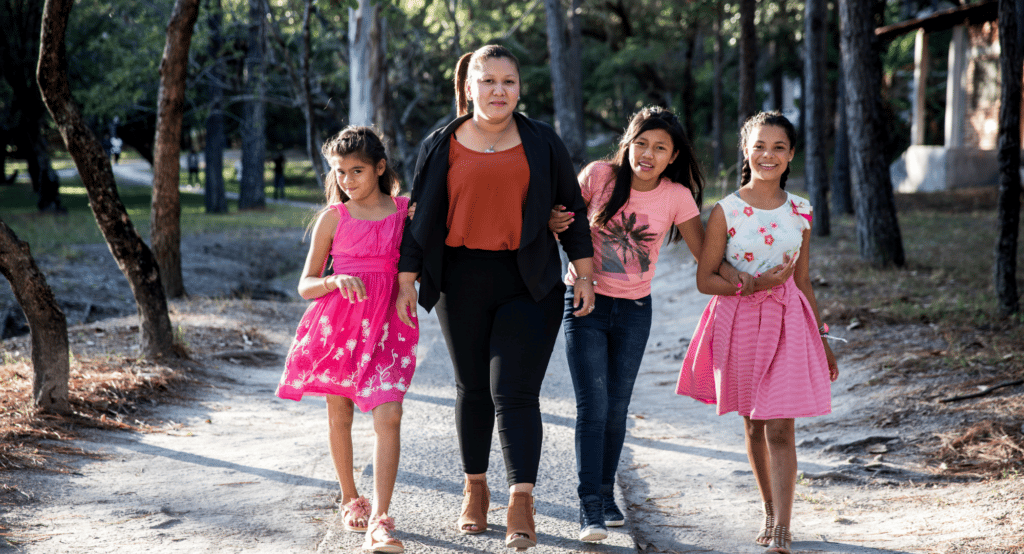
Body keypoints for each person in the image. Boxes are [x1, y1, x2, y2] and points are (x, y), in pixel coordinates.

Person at [394, 44, 595, 550]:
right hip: (459, 279)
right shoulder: (441, 142)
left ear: (519, 88)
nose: (499, 90)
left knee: (516, 391)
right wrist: (405, 280)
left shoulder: (542, 141)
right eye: (488, 81)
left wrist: (585, 273)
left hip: (528, 279)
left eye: (509, 81)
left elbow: (571, 211)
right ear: (469, 87)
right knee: (473, 388)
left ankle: (521, 500)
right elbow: (420, 217)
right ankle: (475, 489)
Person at [548, 106, 746, 542]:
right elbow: (563, 222)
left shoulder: (676, 196)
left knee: (617, 407)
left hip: (636, 311)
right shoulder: (599, 177)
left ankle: (604, 491)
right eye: (641, 143)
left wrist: (742, 276)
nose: (648, 154)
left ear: (673, 156)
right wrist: (552, 221)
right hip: (585, 303)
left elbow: (705, 255)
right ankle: (589, 507)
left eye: (660, 148)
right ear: (628, 143)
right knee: (593, 406)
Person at [675, 111, 839, 554]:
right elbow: (706, 279)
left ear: (790, 156)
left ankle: (783, 528)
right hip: (739, 320)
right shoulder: (726, 210)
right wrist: (751, 284)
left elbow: (802, 281)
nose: (769, 155)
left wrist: (823, 339)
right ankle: (769, 509)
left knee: (781, 426)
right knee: (752, 424)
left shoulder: (801, 209)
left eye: (779, 147)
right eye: (760, 146)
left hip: (789, 320)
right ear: (746, 151)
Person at [276, 126, 418, 554]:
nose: (347, 180)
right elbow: (305, 284)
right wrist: (333, 280)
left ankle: (381, 518)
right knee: (340, 415)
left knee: (388, 415)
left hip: (390, 324)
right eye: (340, 172)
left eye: (357, 171)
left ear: (379, 168)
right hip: (338, 325)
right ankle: (350, 496)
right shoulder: (332, 218)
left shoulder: (404, 210)